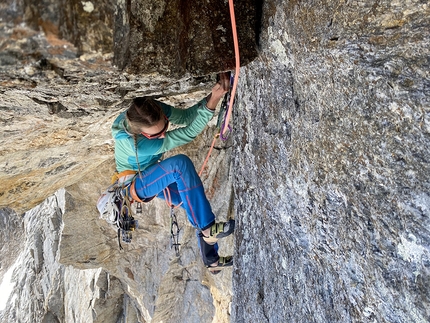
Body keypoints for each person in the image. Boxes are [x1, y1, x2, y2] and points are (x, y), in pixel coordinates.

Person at [111, 72, 234, 273]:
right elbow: (187, 133)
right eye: (157, 135)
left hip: (151, 174)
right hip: (135, 184)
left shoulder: (149, 110)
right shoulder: (137, 145)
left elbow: (185, 117)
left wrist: (213, 94)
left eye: (164, 127)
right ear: (142, 134)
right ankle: (207, 230)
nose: (162, 134)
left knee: (193, 201)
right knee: (180, 165)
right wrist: (214, 100)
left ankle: (211, 260)